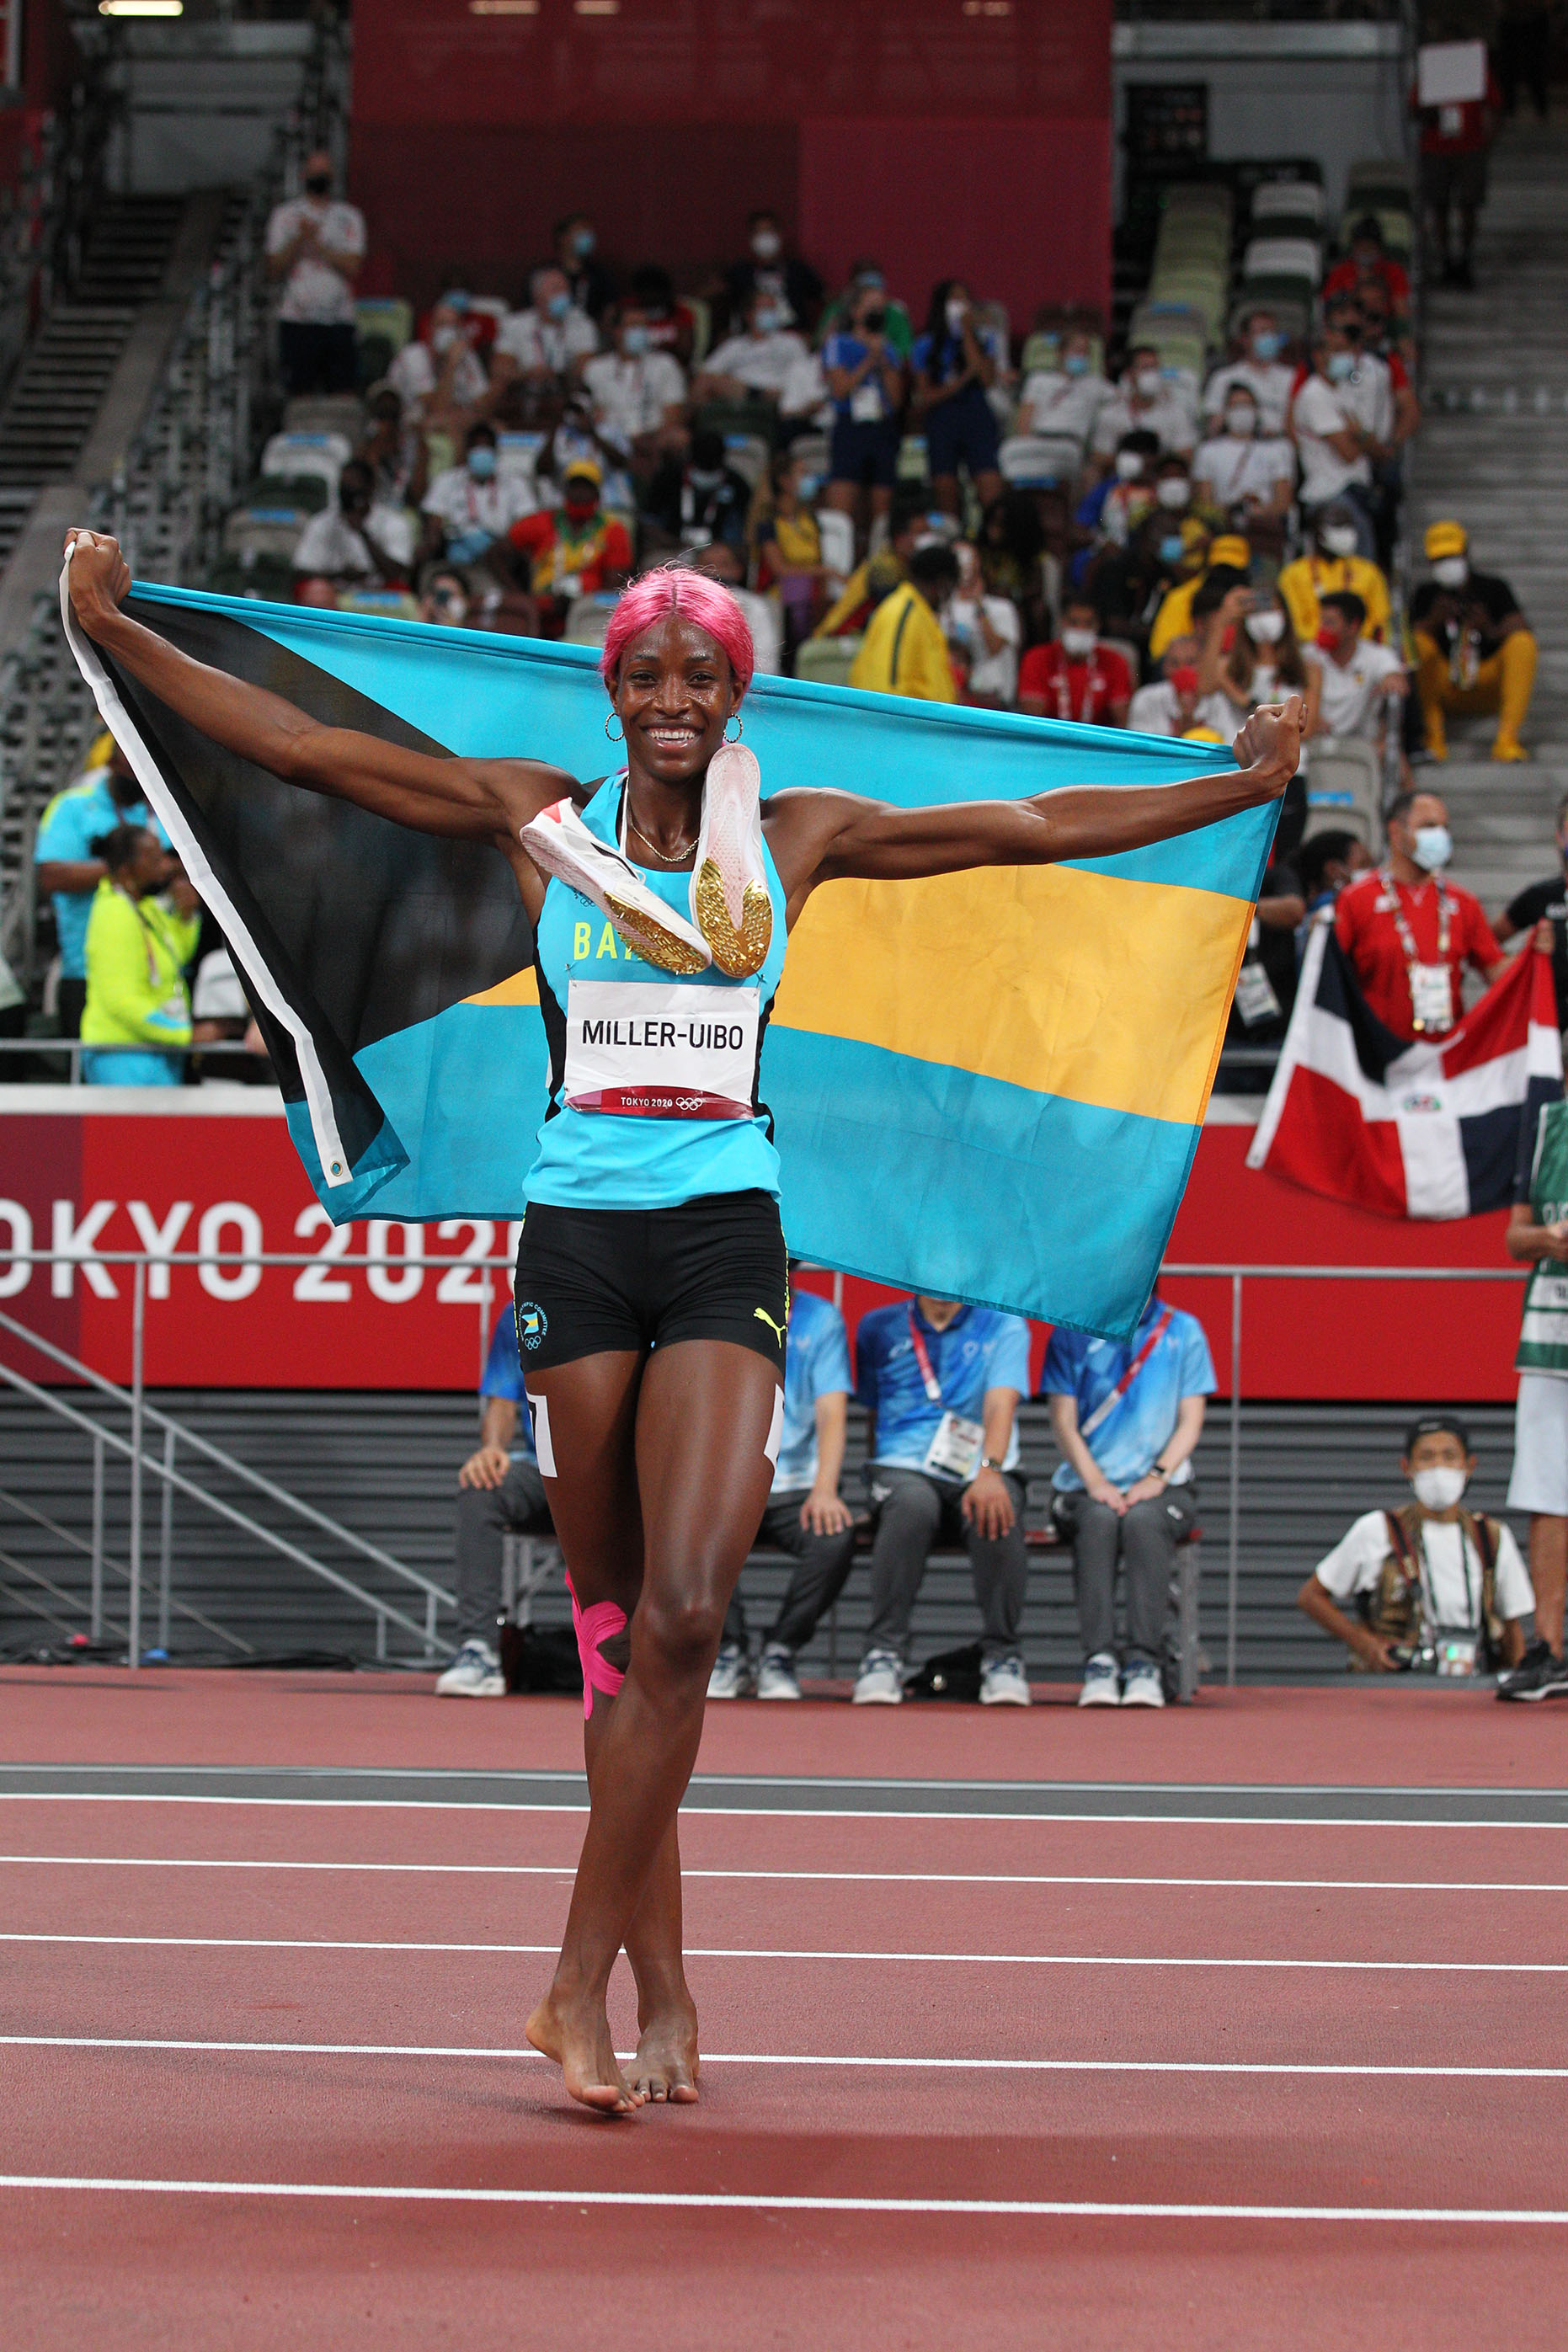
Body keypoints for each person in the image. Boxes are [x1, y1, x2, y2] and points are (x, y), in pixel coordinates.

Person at [62, 521, 1301, 2115]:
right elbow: (304, 747)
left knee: (689, 1617)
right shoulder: (535, 818)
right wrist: (117, 631)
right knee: (612, 1637)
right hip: (576, 1244)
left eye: (699, 674)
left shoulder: (795, 837)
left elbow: (1032, 822)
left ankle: (566, 1983)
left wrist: (1233, 785)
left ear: (734, 692)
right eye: (645, 673)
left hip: (723, 1240)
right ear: (611, 689)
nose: (671, 698)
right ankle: (661, 1984)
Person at [852, 1293, 1034, 1708]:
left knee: (998, 1506)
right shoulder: (877, 1327)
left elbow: (1001, 1403)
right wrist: (876, 1485)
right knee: (910, 1506)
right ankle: (883, 1654)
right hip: (903, 1466)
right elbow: (873, 1411)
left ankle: (1002, 1656)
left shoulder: (1003, 1323)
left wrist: (990, 1470)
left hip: (982, 1467)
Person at [1044, 1292, 1214, 1708]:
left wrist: (1157, 1477)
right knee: (1100, 1520)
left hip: (1162, 1487)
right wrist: (1096, 1482)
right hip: (1084, 1487)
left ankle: (1144, 1662)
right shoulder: (1070, 1331)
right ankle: (1100, 1662)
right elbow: (1063, 1421)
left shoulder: (1183, 1330)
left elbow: (1191, 1420)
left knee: (1143, 1522)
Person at [707, 1278, 856, 1700]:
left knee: (834, 1539)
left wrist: (825, 1488)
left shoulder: (821, 1318)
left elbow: (832, 1414)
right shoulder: (715, 1309)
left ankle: (780, 1651)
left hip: (797, 1487)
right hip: (729, 1486)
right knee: (691, 1535)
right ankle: (727, 1650)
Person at [1299, 1415, 1531, 1677]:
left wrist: (1518, 1681)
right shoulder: (1378, 1529)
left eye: (1449, 1456)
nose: (1438, 1467)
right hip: (1394, 1685)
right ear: (1406, 1467)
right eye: (1426, 1457)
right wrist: (1365, 1645)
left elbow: (1512, 1628)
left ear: (1469, 1466)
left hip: (1470, 1684)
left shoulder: (1491, 1535)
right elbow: (1311, 1597)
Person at [436, 1307, 555, 1698]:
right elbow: (503, 1402)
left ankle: (712, 1652)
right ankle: (479, 1651)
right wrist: (491, 1448)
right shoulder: (525, 1312)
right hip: (548, 1473)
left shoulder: (637, 1301)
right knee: (482, 1486)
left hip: (625, 1478)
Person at [1334, 789, 1505, 1042]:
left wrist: (1538, 954)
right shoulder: (1356, 899)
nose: (1440, 836)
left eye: (1445, 828)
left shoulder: (1463, 902)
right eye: (1429, 826)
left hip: (1444, 1052)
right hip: (1377, 1052)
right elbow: (1332, 978)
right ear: (1396, 831)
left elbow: (1496, 971)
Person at [1498, 1085, 1568, 1699]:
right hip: (1551, 1339)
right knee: (1548, 1492)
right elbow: (1516, 1238)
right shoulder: (1548, 1126)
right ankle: (1548, 1650)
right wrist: (1552, 1239)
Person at [34, 739, 159, 1037]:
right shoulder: (73, 805)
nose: (139, 778)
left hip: (151, 970)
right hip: (85, 971)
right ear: (111, 765)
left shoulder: (157, 809)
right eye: (132, 768)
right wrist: (123, 865)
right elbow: (50, 875)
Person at [78, 824, 201, 1085]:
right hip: (123, 1055)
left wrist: (186, 915)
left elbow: (178, 955)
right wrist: (184, 1034)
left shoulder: (145, 907)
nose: (166, 867)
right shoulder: (114, 914)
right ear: (126, 870)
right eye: (155, 860)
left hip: (156, 1049)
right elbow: (121, 1001)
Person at [1408, 520, 1537, 765]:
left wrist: (1490, 628)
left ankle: (1507, 741)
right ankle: (1432, 739)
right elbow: (1407, 642)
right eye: (1440, 559)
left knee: (1523, 643)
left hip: (1486, 681)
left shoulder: (1492, 588)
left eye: (1452, 556)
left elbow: (1521, 624)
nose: (1446, 564)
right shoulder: (1426, 594)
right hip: (1445, 685)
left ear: (1466, 553)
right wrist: (1434, 620)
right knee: (1418, 644)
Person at [264, 150, 365, 397]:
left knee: (343, 393)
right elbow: (273, 268)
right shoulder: (285, 215)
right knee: (300, 393)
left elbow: (353, 266)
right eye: (314, 171)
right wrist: (300, 238)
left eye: (324, 172)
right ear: (304, 175)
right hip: (297, 319)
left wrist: (318, 244)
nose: (319, 176)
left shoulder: (348, 217)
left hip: (339, 318)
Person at [502, 459, 632, 636]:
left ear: (597, 493)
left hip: (587, 608)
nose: (580, 494)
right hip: (542, 607)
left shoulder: (612, 530)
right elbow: (496, 552)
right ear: (565, 491)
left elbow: (614, 586)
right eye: (575, 487)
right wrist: (518, 594)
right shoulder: (544, 522)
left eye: (586, 488)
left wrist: (575, 602)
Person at [909, 280, 1005, 519]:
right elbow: (925, 396)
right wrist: (960, 382)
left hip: (976, 413)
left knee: (989, 485)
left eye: (964, 299)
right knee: (945, 489)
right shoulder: (925, 344)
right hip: (943, 418)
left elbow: (985, 379)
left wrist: (967, 333)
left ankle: (992, 531)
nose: (960, 305)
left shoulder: (984, 339)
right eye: (954, 299)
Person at [821, 279, 905, 545]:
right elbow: (840, 390)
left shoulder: (888, 347)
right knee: (843, 508)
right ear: (855, 311)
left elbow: (896, 399)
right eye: (871, 306)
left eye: (881, 307)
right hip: (851, 426)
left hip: (882, 428)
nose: (876, 312)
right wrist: (869, 359)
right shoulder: (839, 343)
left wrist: (884, 361)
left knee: (881, 510)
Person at [1290, 328, 1381, 557]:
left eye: (1347, 350)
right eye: (1337, 351)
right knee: (1354, 563)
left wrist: (1358, 434)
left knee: (1362, 567)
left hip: (1354, 491)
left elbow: (1374, 443)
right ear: (1318, 356)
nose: (1345, 357)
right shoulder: (1314, 394)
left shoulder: (1344, 391)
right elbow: (1348, 453)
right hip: (1329, 495)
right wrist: (1358, 434)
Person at [1417, 62, 1501, 289]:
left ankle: (1465, 258)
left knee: (1469, 204)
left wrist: (1485, 142)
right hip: (1437, 147)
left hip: (1469, 146)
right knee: (1439, 205)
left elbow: (1494, 105)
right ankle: (1445, 259)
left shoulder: (1474, 65)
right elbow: (1415, 108)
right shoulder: (1433, 66)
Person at [583, 306, 688, 477]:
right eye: (633, 325)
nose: (640, 331)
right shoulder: (596, 368)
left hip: (653, 437)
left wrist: (646, 438)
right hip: (612, 440)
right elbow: (594, 413)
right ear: (617, 331)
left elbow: (673, 415)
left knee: (679, 437)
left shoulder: (665, 364)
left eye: (643, 326)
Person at [847, 541, 959, 701]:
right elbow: (886, 686)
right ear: (943, 583)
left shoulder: (919, 613)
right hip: (896, 717)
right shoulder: (904, 612)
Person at [1495, 792, 1568, 1033]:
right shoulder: (1540, 896)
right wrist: (1525, 957)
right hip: (1548, 1023)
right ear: (1559, 836)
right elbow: (1487, 944)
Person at [1301, 590, 1406, 753]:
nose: (1323, 629)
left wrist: (1391, 679)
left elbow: (1395, 678)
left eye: (1330, 623)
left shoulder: (1376, 655)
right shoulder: (1309, 655)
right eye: (1322, 622)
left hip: (1363, 746)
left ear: (1353, 626)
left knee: (1395, 756)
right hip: (1316, 743)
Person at [420, 423, 536, 568]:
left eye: (486, 449)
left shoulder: (515, 483)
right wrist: (432, 543)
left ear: (496, 451)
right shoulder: (447, 480)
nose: (482, 454)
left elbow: (526, 520)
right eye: (477, 449)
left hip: (502, 548)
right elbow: (434, 521)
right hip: (459, 546)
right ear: (467, 451)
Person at [1277, 504, 1391, 648]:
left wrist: (1349, 641)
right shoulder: (1293, 574)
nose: (1347, 533)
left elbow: (1380, 623)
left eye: (1348, 526)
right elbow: (1293, 625)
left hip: (1360, 649)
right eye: (1338, 526)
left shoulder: (1369, 572)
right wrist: (1327, 639)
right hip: (1312, 649)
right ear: (1319, 534)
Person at [1190, 387, 1294, 541]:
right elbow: (1204, 503)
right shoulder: (1207, 451)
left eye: (1247, 405)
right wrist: (1233, 509)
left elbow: (1283, 502)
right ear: (1225, 412)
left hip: (1264, 531)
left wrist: (1256, 511)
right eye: (1236, 406)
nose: (1242, 411)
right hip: (1224, 530)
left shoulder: (1275, 450)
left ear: (1256, 411)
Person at [291, 458, 412, 589]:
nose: (347, 491)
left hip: (377, 593)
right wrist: (339, 575)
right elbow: (302, 570)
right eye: (343, 485)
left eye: (353, 485)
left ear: (370, 487)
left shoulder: (393, 522)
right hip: (332, 591)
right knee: (314, 588)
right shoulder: (321, 522)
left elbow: (395, 574)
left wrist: (363, 533)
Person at [1197, 584, 1308, 723]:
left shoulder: (1306, 668)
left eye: (1270, 609)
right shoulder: (1227, 667)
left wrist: (1240, 698)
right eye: (1256, 611)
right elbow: (1204, 687)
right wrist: (1221, 621)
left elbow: (1306, 726)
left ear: (1284, 614)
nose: (1263, 617)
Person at [1017, 597, 1133, 726]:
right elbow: (1032, 720)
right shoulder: (1037, 658)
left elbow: (1122, 721)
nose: (1081, 629)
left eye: (1088, 623)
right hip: (1051, 735)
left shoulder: (1114, 661)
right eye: (1074, 622)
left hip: (1096, 736)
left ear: (1098, 626)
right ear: (1062, 623)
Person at [642, 429, 751, 559]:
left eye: (711, 468)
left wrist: (722, 548)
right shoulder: (668, 477)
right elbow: (649, 521)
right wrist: (673, 543)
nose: (706, 474)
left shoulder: (736, 484)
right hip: (671, 548)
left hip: (718, 552)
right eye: (702, 467)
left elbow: (745, 530)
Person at [693, 291, 808, 413]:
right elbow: (706, 373)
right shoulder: (735, 345)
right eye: (765, 308)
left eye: (772, 308)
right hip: (740, 395)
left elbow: (804, 374)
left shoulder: (792, 342)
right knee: (704, 381)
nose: (769, 313)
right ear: (748, 314)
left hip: (777, 397)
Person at [755, 449, 824, 650]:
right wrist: (825, 571)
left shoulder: (810, 519)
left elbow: (818, 559)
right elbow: (779, 569)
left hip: (811, 593)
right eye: (803, 473)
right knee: (796, 588)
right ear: (785, 481)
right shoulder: (768, 523)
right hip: (780, 596)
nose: (809, 479)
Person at [1149, 536, 1251, 664]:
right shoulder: (1181, 597)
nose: (1227, 577)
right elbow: (1160, 652)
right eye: (1221, 570)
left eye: (1233, 571)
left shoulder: (1251, 599)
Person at [493, 267, 600, 390]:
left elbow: (585, 366)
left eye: (566, 289)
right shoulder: (514, 324)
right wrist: (526, 375)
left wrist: (558, 376)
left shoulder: (582, 324)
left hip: (566, 389)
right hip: (524, 389)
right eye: (556, 289)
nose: (563, 295)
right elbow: (499, 368)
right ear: (537, 296)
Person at [387, 295, 488, 423]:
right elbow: (436, 411)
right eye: (441, 325)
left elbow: (483, 406)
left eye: (452, 327)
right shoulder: (412, 356)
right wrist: (451, 365)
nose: (446, 332)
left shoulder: (466, 355)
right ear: (429, 328)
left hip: (458, 422)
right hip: (414, 424)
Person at [1091, 346, 1197, 469]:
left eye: (1154, 368)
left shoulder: (1175, 411)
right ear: (1129, 374)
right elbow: (1098, 456)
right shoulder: (1111, 413)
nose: (1151, 374)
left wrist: (1154, 462)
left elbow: (1186, 454)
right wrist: (1129, 462)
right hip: (1121, 473)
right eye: (1145, 368)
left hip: (1160, 473)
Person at [723, 208, 821, 340]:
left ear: (780, 235)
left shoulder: (797, 270)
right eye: (759, 232)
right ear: (751, 238)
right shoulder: (740, 272)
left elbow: (823, 295)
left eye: (769, 231)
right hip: (752, 339)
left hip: (792, 336)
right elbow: (719, 293)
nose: (765, 237)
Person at [945, 540, 1021, 707]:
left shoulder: (1003, 608)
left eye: (967, 557)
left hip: (996, 701)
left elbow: (994, 647)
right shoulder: (944, 609)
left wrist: (979, 605)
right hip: (958, 700)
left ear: (977, 563)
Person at [1014, 325, 1112, 451]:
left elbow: (1124, 398)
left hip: (1071, 443)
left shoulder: (1096, 384)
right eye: (1077, 350)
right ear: (1061, 352)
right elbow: (1025, 416)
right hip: (1039, 439)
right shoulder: (1039, 379)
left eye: (1086, 352)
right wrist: (1026, 446)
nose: (1082, 356)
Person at [1202, 311, 1295, 437]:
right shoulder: (1224, 378)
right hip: (1238, 443)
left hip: (1281, 442)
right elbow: (1214, 426)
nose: (1269, 338)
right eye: (1262, 332)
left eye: (1272, 333)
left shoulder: (1292, 377)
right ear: (1245, 339)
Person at [1127, 637, 1237, 743]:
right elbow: (1137, 746)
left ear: (1204, 665)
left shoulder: (1220, 699)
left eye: (1190, 663)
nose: (1183, 671)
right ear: (1165, 667)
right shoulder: (1146, 698)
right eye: (1174, 664)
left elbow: (1232, 743)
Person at [1323, 216, 1412, 323]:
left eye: (1369, 247)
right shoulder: (1340, 271)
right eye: (1361, 247)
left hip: (1385, 324)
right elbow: (1329, 306)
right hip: (1349, 325)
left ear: (1379, 248)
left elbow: (1401, 309)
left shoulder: (1393, 271)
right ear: (1353, 247)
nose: (1365, 251)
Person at [554, 211, 614, 324]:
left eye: (588, 233)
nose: (586, 237)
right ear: (562, 238)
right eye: (580, 232)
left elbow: (610, 313)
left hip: (591, 332)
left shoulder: (600, 275)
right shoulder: (546, 275)